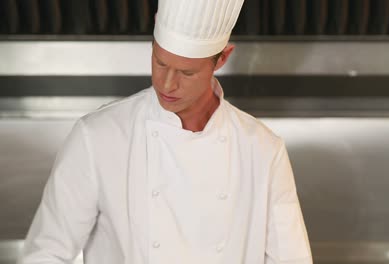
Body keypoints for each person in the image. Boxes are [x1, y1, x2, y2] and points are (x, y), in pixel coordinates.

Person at [19, 0, 313, 263]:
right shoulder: (98, 136)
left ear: (222, 58)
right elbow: (47, 253)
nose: (167, 84)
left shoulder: (262, 148)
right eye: (160, 62)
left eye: (187, 73)